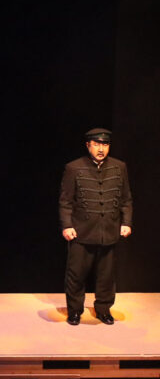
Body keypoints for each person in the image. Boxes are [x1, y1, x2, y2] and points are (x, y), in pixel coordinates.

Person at [59, 128, 133, 326]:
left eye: (105, 144)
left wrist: (126, 222)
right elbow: (65, 201)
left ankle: (103, 310)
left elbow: (126, 199)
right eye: (97, 144)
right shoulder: (74, 168)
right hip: (81, 232)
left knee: (106, 277)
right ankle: (75, 311)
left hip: (108, 231)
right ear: (88, 145)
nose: (101, 149)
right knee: (76, 275)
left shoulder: (119, 167)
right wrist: (67, 225)